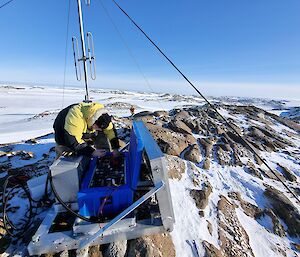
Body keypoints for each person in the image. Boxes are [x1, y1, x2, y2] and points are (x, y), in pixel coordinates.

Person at [53, 102, 119, 158]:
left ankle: (102, 154)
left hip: (85, 127)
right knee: (68, 154)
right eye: (98, 127)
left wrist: (115, 148)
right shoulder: (75, 117)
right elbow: (73, 141)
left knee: (100, 134)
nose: (100, 130)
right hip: (64, 132)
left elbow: (110, 132)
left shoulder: (104, 117)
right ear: (93, 122)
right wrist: (92, 152)